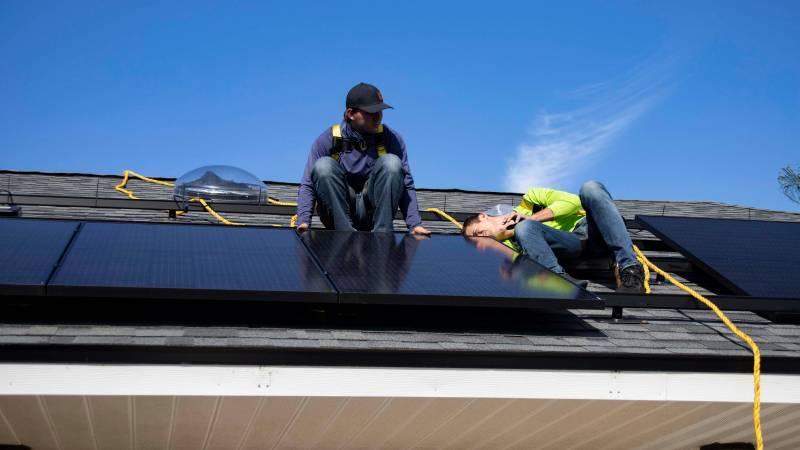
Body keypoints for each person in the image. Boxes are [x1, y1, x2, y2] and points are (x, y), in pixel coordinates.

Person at [461, 181, 646, 293]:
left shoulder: (531, 199)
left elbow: (573, 202)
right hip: (573, 245)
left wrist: (532, 218)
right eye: (476, 241)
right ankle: (559, 280)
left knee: (591, 188)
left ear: (483, 216)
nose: (480, 239)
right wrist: (511, 232)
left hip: (596, 229)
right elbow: (520, 269)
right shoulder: (505, 247)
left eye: (477, 232)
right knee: (524, 228)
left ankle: (630, 269)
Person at [296, 82, 431, 236]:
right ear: (350, 114)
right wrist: (303, 220)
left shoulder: (390, 139)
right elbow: (308, 184)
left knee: (392, 163)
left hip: (371, 214)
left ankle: (382, 237)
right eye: (371, 112)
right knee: (323, 166)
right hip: (339, 216)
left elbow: (406, 183)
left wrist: (414, 224)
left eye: (380, 111)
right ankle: (344, 236)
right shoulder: (328, 140)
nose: (378, 116)